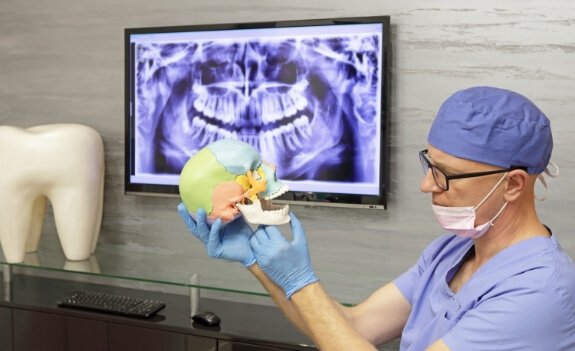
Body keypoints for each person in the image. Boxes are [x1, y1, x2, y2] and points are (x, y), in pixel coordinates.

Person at [178, 86, 575, 350]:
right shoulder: (451, 251)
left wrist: (301, 281)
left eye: (445, 174)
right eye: (429, 164)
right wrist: (258, 262)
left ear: (513, 184)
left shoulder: (539, 293)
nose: (426, 185)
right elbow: (353, 327)